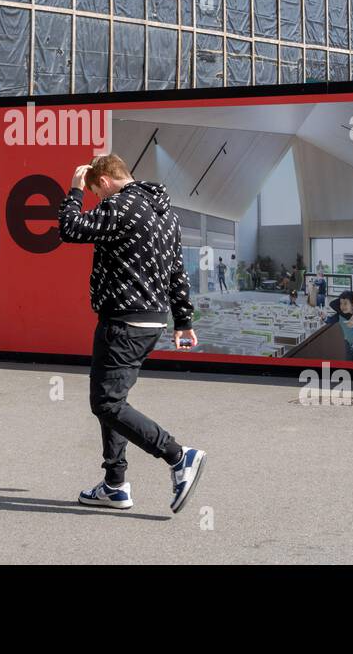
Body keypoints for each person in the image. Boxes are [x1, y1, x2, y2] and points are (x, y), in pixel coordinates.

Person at [58, 154, 206, 514]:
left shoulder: (120, 206)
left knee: (106, 403)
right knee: (114, 402)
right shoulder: (165, 214)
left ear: (105, 180)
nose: (96, 198)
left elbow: (70, 228)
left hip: (123, 319)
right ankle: (114, 484)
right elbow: (177, 271)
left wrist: (74, 191)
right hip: (152, 320)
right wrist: (183, 320)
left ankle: (177, 455)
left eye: (96, 190)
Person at [331, 291, 353, 362]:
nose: (342, 306)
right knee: (348, 361)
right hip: (348, 342)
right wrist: (344, 298)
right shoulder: (341, 315)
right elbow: (332, 304)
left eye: (345, 303)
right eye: (341, 303)